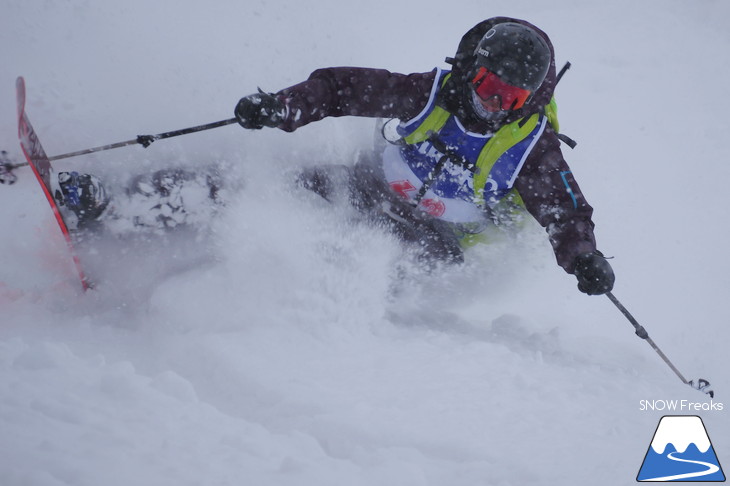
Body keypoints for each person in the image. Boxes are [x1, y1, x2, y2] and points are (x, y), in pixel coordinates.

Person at [232, 17, 615, 295]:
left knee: (364, 263)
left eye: (509, 98)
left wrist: (583, 257)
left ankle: (299, 299)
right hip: (370, 186)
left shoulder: (531, 144)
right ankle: (208, 203)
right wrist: (284, 107)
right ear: (473, 71)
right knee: (285, 191)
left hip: (440, 239)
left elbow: (564, 209)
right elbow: (341, 89)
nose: (492, 104)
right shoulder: (430, 92)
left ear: (528, 100)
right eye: (487, 85)